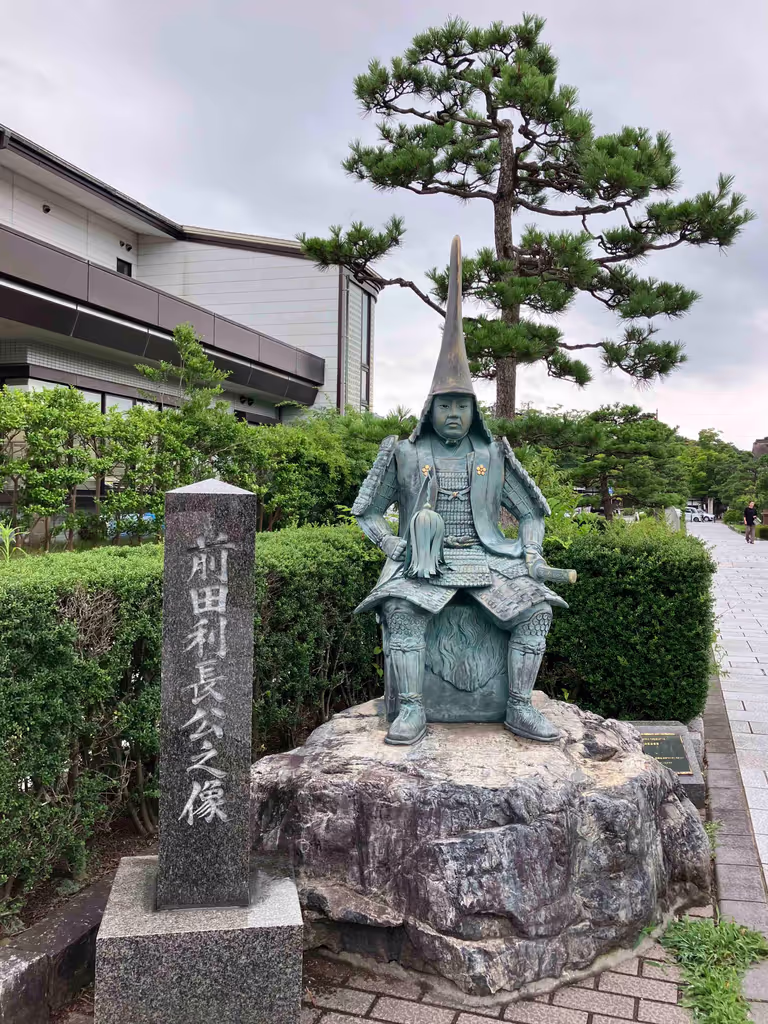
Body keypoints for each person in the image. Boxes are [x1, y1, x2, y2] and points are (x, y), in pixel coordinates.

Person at [352, 237, 570, 746]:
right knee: (401, 608)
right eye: (445, 405)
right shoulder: (402, 454)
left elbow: (533, 513)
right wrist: (394, 546)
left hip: (488, 559)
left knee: (537, 607)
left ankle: (517, 706)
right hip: (422, 562)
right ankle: (410, 708)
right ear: (429, 408)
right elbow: (366, 513)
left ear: (475, 411)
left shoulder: (493, 456)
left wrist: (532, 555)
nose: (454, 414)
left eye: (462, 406)